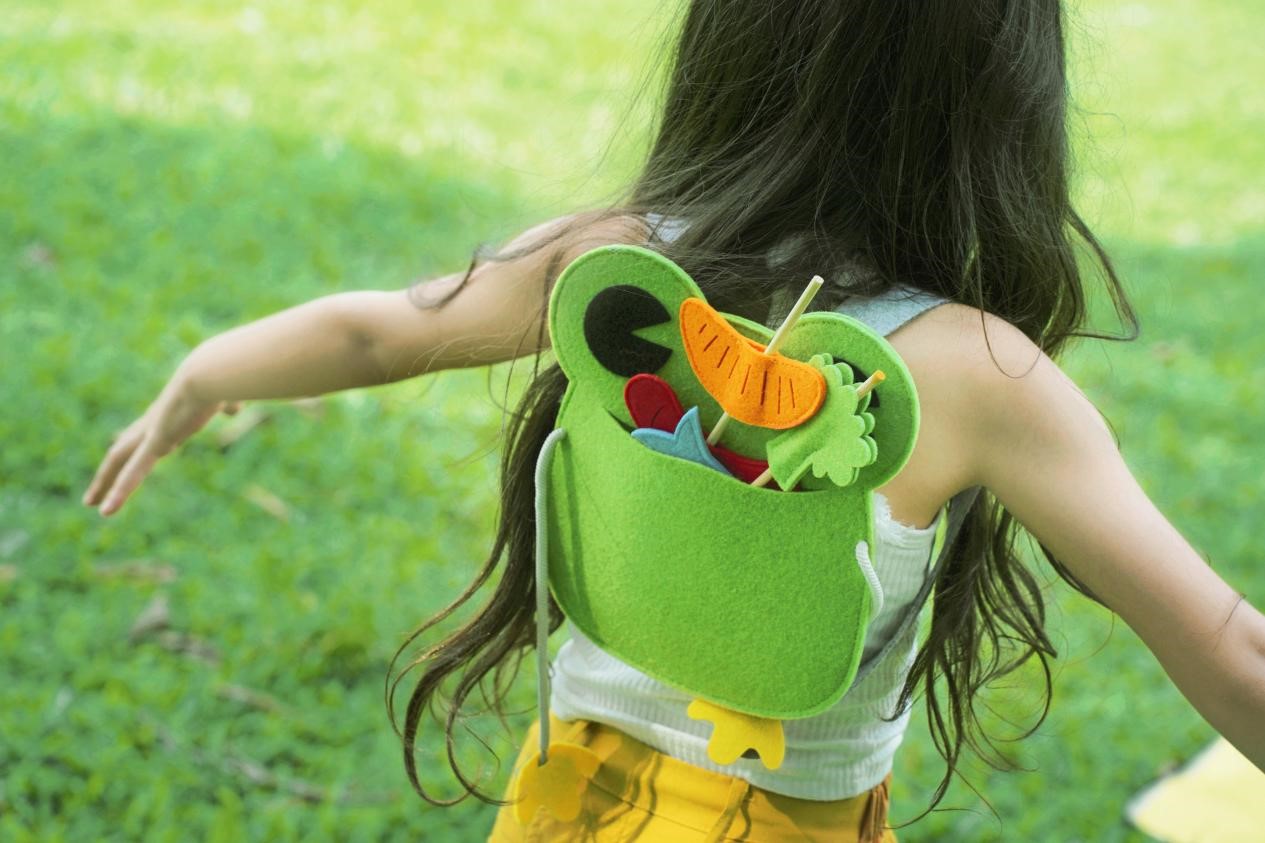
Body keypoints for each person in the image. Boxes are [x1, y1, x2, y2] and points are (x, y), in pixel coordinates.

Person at [83, 1, 1265, 840]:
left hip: (569, 808)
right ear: (1002, 102)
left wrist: (205, 370)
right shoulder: (980, 376)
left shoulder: (614, 261)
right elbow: (1222, 643)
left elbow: (380, 329)